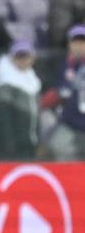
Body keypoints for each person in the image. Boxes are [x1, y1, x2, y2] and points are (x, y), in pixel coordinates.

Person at [42, 24, 85, 160]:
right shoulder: (63, 65)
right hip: (69, 122)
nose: (78, 45)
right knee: (56, 146)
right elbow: (58, 92)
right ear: (69, 44)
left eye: (82, 41)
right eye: (75, 41)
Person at [0, 40, 41, 159]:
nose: (23, 60)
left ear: (32, 58)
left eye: (26, 56)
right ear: (12, 58)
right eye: (19, 56)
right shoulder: (5, 87)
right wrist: (9, 149)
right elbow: (4, 122)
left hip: (30, 145)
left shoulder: (34, 81)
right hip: (15, 150)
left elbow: (35, 116)